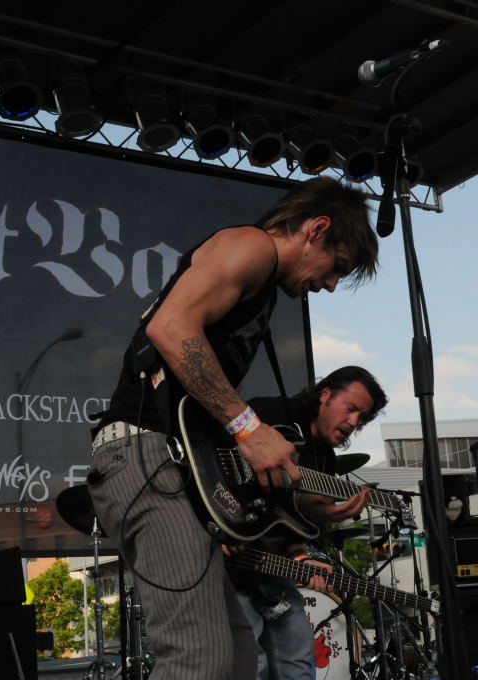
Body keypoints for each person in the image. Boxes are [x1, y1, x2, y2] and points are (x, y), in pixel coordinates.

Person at [87, 178, 379, 680]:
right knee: (198, 658)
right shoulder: (252, 246)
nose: (332, 284)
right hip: (145, 455)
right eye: (338, 266)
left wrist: (298, 505)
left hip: (175, 466)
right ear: (317, 229)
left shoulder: (260, 293)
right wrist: (249, 427)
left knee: (239, 656)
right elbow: (169, 327)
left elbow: (208, 430)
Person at [227, 365, 388, 680]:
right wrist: (222, 523)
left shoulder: (326, 458)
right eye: (350, 408)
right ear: (325, 395)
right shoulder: (271, 414)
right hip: (232, 557)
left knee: (298, 661)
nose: (353, 422)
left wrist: (324, 522)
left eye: (361, 418)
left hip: (273, 565)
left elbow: (294, 520)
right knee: (251, 664)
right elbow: (213, 464)